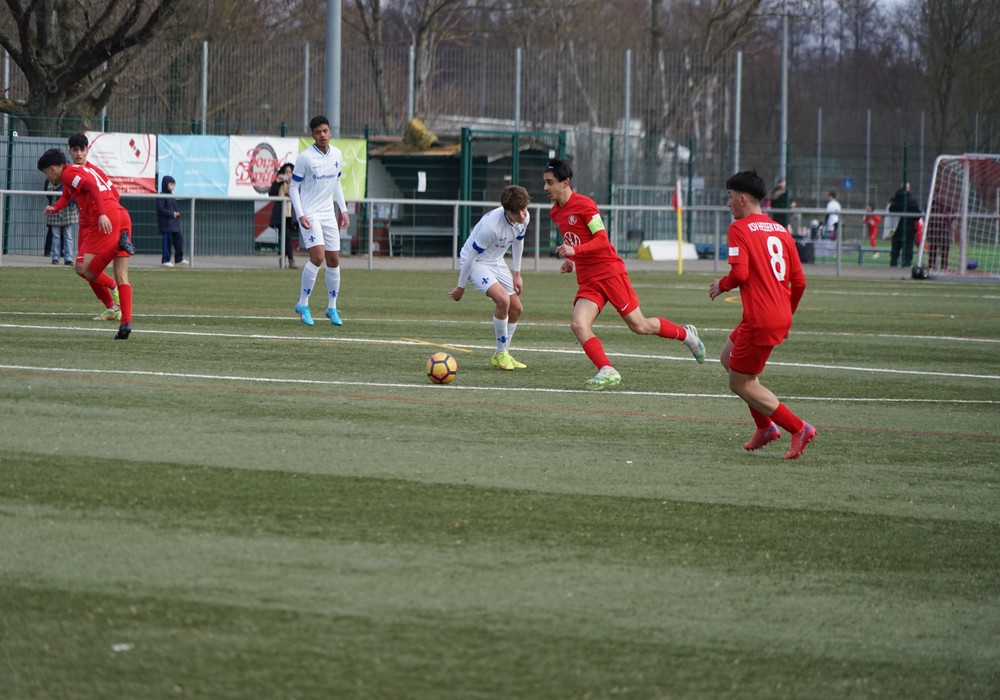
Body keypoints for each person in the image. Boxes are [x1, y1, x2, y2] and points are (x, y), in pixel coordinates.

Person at [543, 158, 705, 391]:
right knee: (578, 324)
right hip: (588, 280)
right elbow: (576, 240)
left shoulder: (585, 205)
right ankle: (607, 369)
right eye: (545, 182)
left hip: (609, 273)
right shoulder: (555, 213)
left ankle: (687, 335)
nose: (546, 187)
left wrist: (575, 251)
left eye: (550, 182)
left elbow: (601, 240)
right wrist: (572, 260)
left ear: (565, 182)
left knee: (639, 325)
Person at [709, 169, 814, 460]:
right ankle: (765, 427)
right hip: (773, 315)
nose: (728, 203)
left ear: (742, 199)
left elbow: (740, 273)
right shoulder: (780, 230)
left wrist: (721, 285)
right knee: (727, 358)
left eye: (730, 197)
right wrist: (787, 314)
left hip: (760, 318)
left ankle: (798, 428)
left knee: (740, 382)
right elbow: (800, 281)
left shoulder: (739, 229)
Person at [39, 147, 136, 340]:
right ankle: (125, 323)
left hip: (105, 216)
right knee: (121, 275)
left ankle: (118, 245)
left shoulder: (68, 174)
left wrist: (101, 213)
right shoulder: (84, 170)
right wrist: (55, 208)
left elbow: (91, 186)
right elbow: (110, 191)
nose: (47, 178)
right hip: (121, 213)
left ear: (52, 169)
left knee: (88, 271)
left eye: (45, 174)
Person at [449, 185, 531, 370]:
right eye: (517, 212)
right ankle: (501, 354)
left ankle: (503, 353)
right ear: (506, 210)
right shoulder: (491, 227)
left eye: (524, 209)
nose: (522, 215)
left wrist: (517, 274)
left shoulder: (525, 217)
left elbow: (518, 242)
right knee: (503, 301)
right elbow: (470, 257)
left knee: (516, 309)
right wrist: (460, 286)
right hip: (476, 262)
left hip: (497, 261)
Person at [289, 115, 351, 326]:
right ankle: (302, 304)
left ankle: (331, 308)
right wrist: (301, 215)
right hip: (310, 213)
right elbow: (293, 187)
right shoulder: (305, 158)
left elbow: (336, 183)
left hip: (328, 213)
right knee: (318, 257)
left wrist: (343, 210)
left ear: (330, 132)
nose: (322, 135)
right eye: (318, 132)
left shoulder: (337, 154)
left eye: (325, 131)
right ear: (313, 135)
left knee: (333, 260)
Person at [64, 133, 123, 322]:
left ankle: (114, 287)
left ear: (87, 150)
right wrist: (54, 208)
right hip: (85, 225)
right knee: (84, 270)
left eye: (82, 150)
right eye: (75, 150)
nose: (79, 154)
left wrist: (104, 213)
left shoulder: (94, 171)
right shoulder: (71, 172)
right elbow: (66, 195)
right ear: (69, 152)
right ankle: (111, 308)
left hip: (96, 225)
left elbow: (114, 194)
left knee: (84, 268)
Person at [268, 163, 297, 269]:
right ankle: (290, 260)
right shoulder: (279, 183)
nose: (288, 174)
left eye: (290, 172)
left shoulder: (295, 184)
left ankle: (284, 259)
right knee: (285, 237)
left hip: (291, 214)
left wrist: (292, 182)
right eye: (286, 172)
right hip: (280, 214)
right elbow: (271, 194)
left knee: (287, 237)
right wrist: (277, 181)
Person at [44, 178, 77, 265]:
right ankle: (55, 257)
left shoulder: (71, 178)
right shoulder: (54, 179)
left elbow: (76, 192)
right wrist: (60, 184)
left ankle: (68, 258)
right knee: (56, 236)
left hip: (69, 211)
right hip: (55, 210)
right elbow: (49, 190)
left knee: (68, 236)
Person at [888, 183, 921, 268]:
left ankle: (892, 268)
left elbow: (891, 212)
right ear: (908, 189)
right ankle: (906, 268)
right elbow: (918, 216)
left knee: (895, 252)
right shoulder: (912, 202)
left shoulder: (894, 201)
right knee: (907, 253)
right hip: (908, 230)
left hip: (895, 230)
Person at [157, 175, 187, 267]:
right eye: (170, 184)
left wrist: (178, 213)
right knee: (167, 243)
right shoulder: (161, 196)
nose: (172, 186)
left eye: (173, 184)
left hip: (174, 225)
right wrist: (172, 214)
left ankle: (179, 258)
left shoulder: (172, 196)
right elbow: (160, 209)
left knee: (179, 240)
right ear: (165, 184)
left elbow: (175, 208)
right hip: (166, 225)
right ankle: (165, 260)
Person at [925, 199, 955, 270]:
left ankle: (939, 266)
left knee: (940, 249)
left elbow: (953, 215)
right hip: (937, 229)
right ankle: (936, 266)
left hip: (941, 229)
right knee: (935, 248)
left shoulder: (947, 202)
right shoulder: (934, 202)